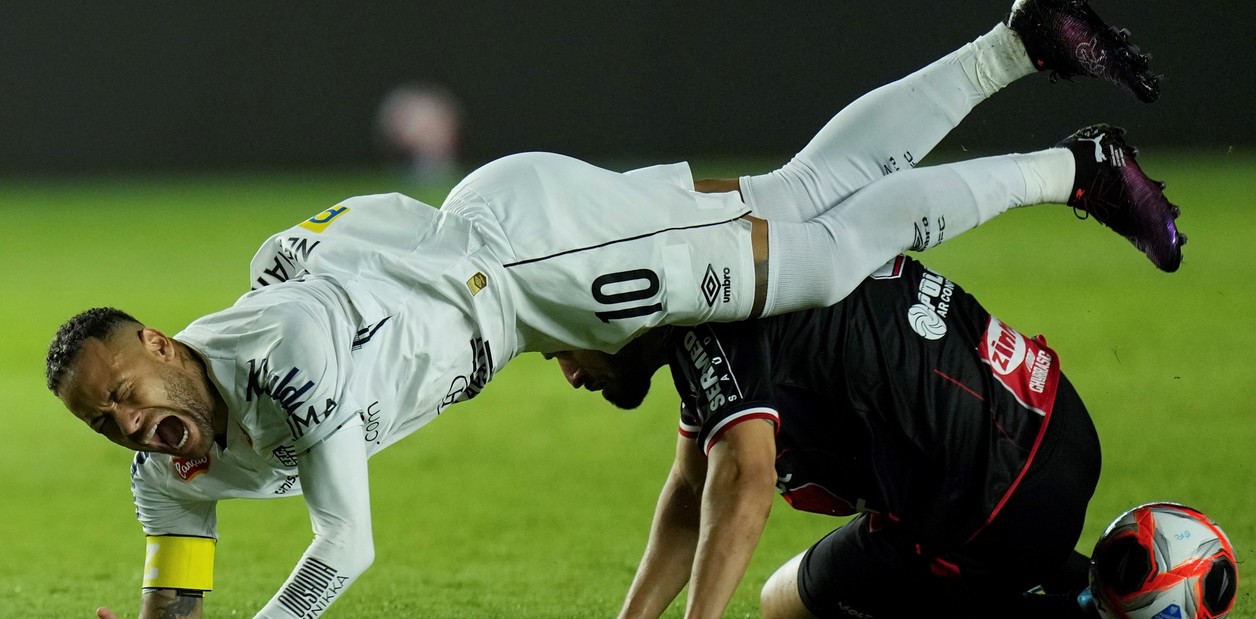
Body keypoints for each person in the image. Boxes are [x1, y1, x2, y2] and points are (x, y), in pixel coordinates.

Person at [46, 1, 1174, 617]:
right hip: (517, 262)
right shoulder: (167, 462)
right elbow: (177, 579)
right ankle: (1018, 43)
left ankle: (1071, 171)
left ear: (158, 344)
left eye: (125, 392)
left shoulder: (286, 356)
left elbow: (346, 542)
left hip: (534, 264)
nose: (129, 424)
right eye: (107, 421)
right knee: (800, 195)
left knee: (825, 258)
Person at [546, 253, 1103, 619]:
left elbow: (744, 479)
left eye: (564, 349)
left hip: (997, 498)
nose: (571, 374)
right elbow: (693, 491)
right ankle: (1101, 574)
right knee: (798, 588)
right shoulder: (720, 269)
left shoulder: (709, 327)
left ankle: (1100, 606)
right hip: (1052, 420)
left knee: (789, 605)